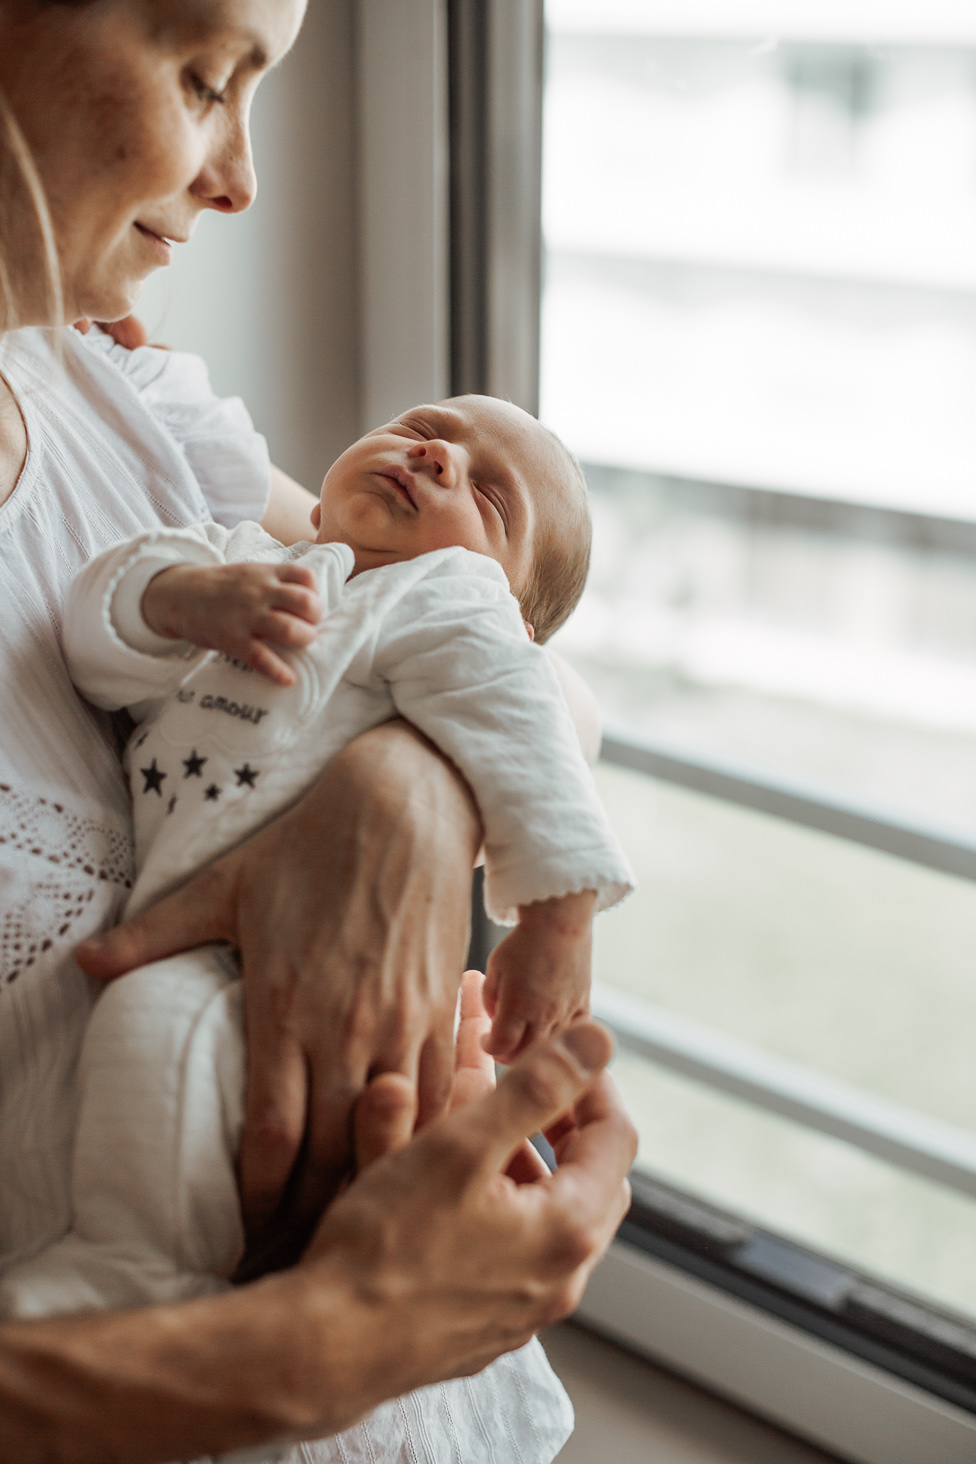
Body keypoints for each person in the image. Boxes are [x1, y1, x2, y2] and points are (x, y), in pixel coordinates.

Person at [0, 3, 637, 1461]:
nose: (240, 184)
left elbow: (526, 663)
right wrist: (301, 1355)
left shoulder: (128, 404)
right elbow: (120, 617)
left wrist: (402, 797)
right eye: (208, 77)